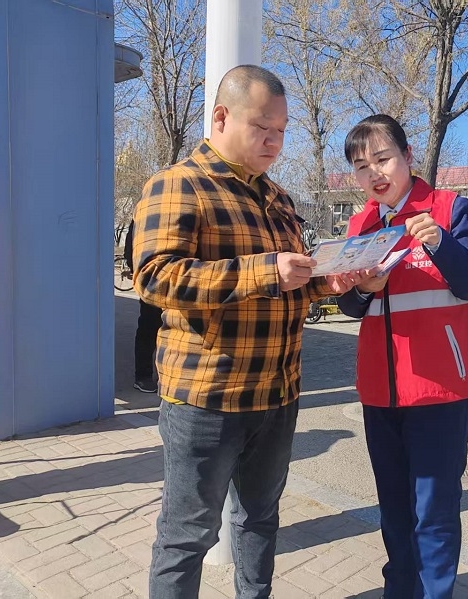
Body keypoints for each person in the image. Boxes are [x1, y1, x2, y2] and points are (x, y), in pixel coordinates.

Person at [131, 65, 361, 599]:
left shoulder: (278, 198)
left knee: (260, 518)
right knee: (187, 535)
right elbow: (156, 277)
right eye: (262, 127)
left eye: (281, 130)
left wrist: (325, 282)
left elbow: (288, 285)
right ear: (221, 117)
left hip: (277, 394)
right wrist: (264, 270)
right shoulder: (179, 184)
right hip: (206, 399)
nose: (274, 141)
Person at [337, 114, 468, 598]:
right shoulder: (361, 224)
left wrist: (440, 242)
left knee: (434, 511)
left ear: (407, 156)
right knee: (394, 510)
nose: (374, 174)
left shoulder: (450, 209)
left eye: (383, 159)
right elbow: (349, 305)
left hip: (440, 389)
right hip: (380, 389)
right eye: (362, 167)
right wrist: (365, 287)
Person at [123, 219, 162, 393]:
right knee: (149, 328)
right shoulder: (143, 215)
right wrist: (138, 272)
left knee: (173, 329)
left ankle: (166, 375)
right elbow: (130, 248)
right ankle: (143, 376)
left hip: (175, 280)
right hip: (152, 282)